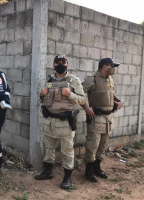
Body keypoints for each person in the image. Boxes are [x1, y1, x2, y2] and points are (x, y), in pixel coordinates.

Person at [36, 54, 86, 190]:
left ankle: (67, 177)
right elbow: (45, 100)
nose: (60, 64)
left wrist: (69, 94)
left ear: (67, 65)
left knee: (67, 151)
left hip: (65, 123)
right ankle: (47, 171)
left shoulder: (73, 80)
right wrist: (41, 94)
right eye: (57, 62)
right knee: (49, 148)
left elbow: (83, 100)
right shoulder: (49, 80)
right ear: (53, 65)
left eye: (63, 62)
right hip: (49, 121)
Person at [82, 57, 123, 182]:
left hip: (108, 118)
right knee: (92, 145)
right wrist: (86, 108)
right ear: (105, 66)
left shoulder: (109, 78)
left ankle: (97, 168)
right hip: (96, 118)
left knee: (103, 145)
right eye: (113, 66)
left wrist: (118, 101)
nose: (114, 69)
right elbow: (80, 93)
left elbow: (110, 92)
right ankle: (88, 171)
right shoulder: (92, 78)